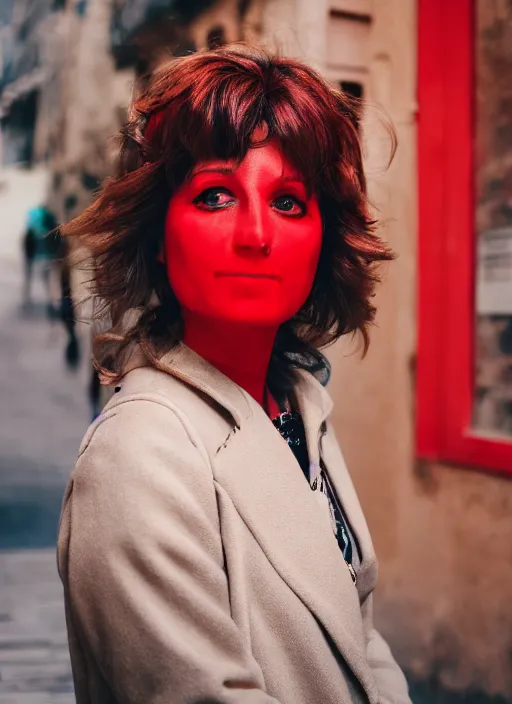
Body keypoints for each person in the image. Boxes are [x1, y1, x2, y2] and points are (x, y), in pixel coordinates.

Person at [57, 44, 410, 704]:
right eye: (216, 196)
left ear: (323, 239)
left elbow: (358, 634)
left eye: (288, 203)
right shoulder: (140, 457)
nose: (254, 233)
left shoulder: (297, 405)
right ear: (160, 234)